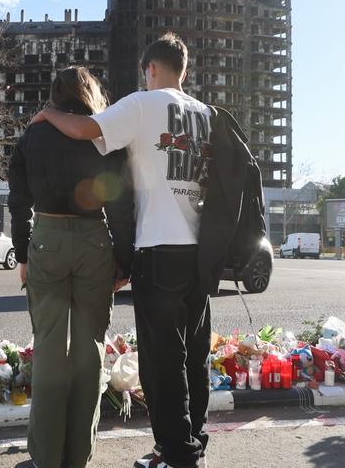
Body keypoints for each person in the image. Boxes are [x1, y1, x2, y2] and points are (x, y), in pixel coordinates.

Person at [31, 33, 212, 468]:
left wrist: (47, 112)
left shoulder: (142, 104)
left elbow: (84, 128)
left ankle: (178, 458)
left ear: (150, 69)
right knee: (194, 358)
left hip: (158, 250)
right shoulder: (206, 115)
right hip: (200, 254)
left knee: (161, 363)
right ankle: (189, 444)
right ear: (183, 70)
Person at [8, 67, 134, 468]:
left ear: (54, 95)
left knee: (48, 349)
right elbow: (118, 201)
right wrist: (124, 259)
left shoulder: (34, 135)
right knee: (89, 351)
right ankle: (79, 455)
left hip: (46, 237)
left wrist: (23, 254)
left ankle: (46, 457)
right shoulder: (102, 134)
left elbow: (18, 201)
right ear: (90, 93)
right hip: (95, 241)